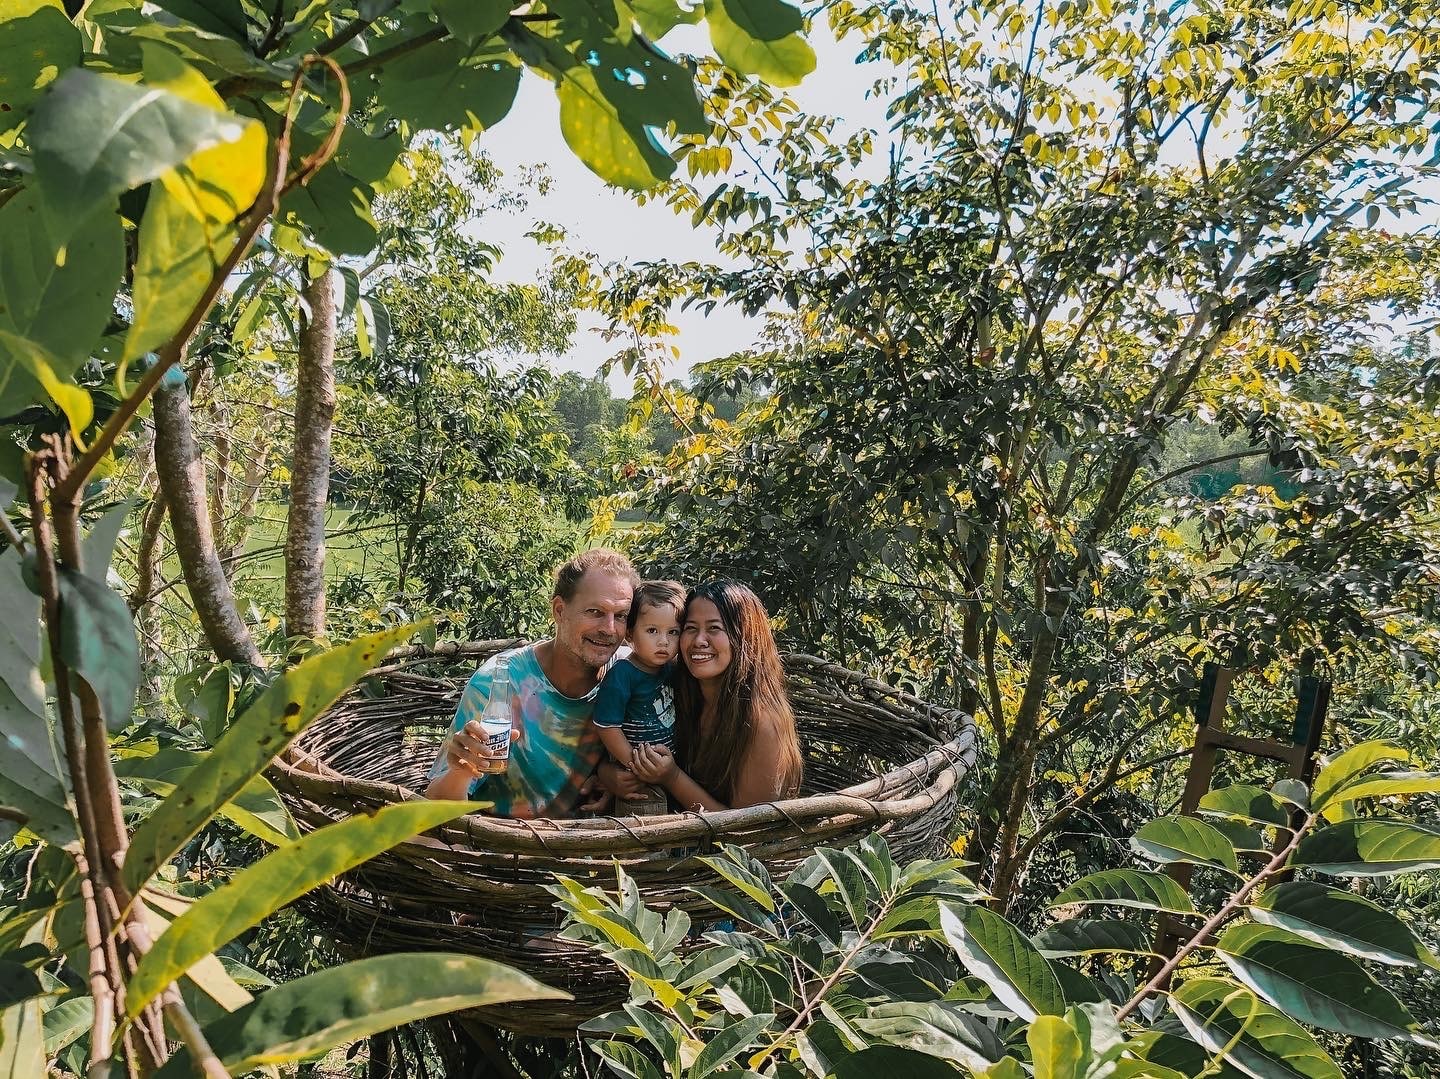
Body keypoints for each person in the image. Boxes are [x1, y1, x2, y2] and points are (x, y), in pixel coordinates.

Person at [424, 548, 639, 817]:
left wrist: (607, 775)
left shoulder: (628, 675)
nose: (609, 628)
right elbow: (436, 806)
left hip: (581, 845)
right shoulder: (500, 682)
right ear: (559, 610)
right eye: (595, 611)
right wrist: (462, 770)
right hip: (494, 843)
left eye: (620, 616)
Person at [629, 580, 804, 811]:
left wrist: (671, 777)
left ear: (744, 638)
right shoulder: (677, 693)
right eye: (690, 628)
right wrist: (609, 775)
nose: (699, 641)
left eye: (714, 628)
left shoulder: (761, 723)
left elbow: (746, 829)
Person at [592, 579, 687, 816]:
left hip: (667, 768)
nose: (664, 641)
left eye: (673, 632)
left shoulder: (670, 669)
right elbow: (606, 726)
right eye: (652, 631)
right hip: (636, 775)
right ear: (631, 634)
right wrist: (635, 764)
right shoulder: (623, 674)